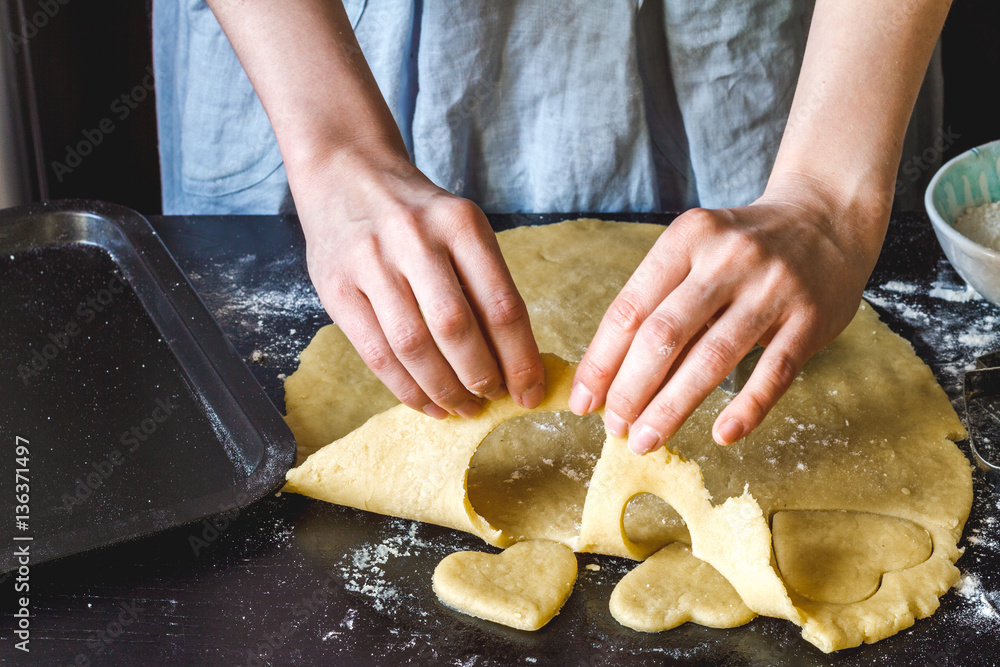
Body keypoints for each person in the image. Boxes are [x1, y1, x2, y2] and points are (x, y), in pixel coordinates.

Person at [153, 0, 950, 454]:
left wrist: (827, 195)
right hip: (310, 43)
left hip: (807, 58)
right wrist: (334, 144)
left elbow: (830, 192)